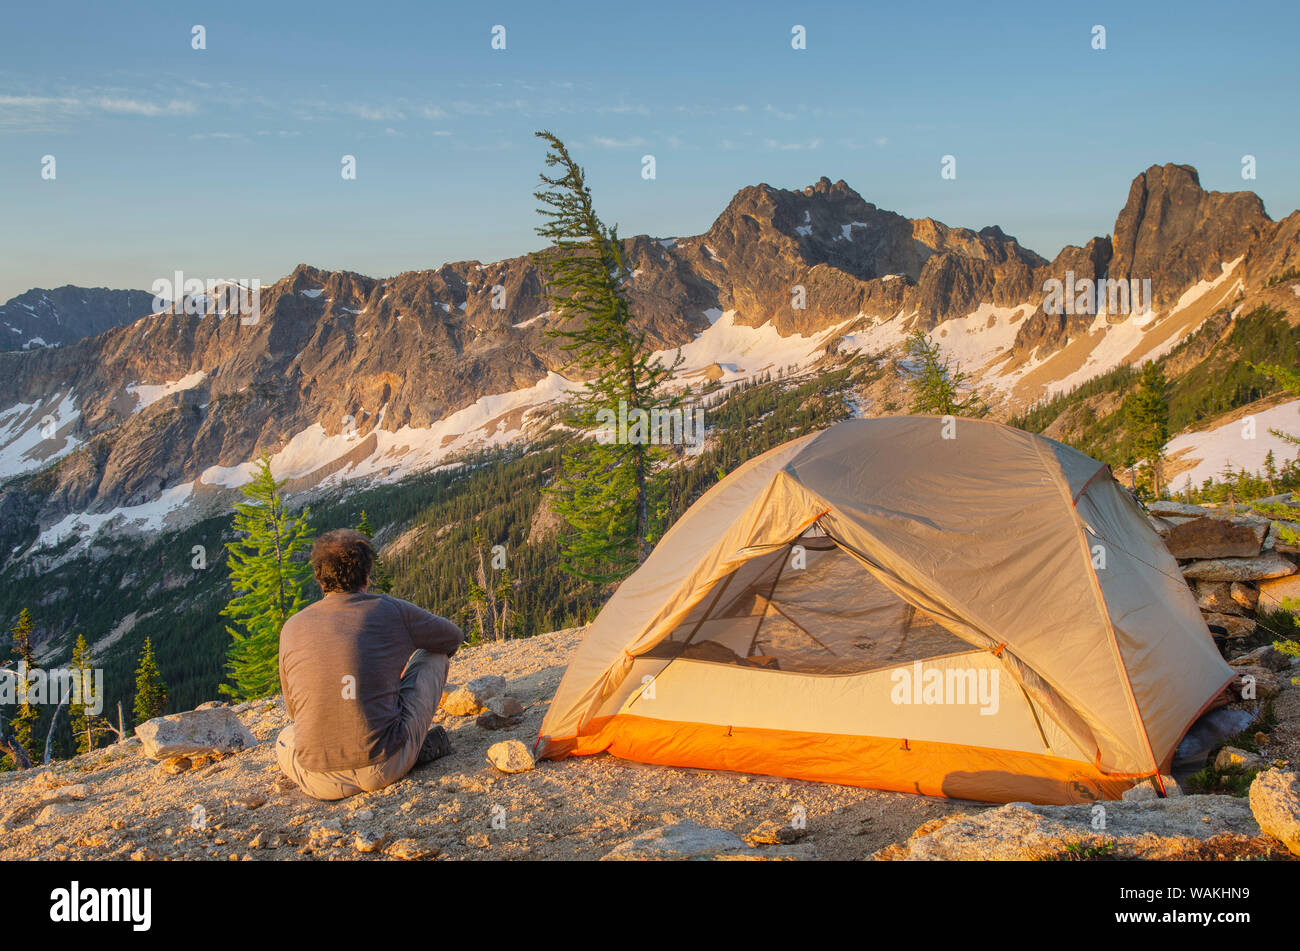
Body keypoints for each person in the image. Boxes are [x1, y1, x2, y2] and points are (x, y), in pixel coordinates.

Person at [275, 528, 464, 800]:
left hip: (316, 780)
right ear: (366, 576)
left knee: (285, 737)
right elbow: (453, 638)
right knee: (434, 655)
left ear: (320, 580)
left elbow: (294, 711)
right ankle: (411, 750)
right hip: (383, 766)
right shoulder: (391, 610)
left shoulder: (291, 627)